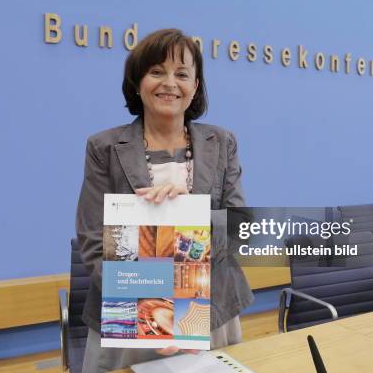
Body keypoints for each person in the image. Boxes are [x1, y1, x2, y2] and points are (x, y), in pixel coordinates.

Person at [76, 28, 254, 372]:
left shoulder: (222, 141)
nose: (169, 83)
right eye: (157, 71)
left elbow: (240, 227)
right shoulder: (104, 148)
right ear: (138, 80)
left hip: (210, 310)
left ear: (196, 86)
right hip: (130, 313)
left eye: (182, 74)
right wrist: (156, 317)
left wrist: (194, 215)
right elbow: (94, 240)